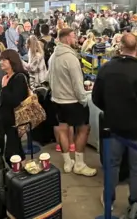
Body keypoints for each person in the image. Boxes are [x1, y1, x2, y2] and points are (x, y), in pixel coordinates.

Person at [93, 33, 137, 208]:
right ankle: (135, 201)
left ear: (120, 46)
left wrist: (110, 110)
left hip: (113, 126)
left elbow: (96, 98)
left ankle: (109, 199)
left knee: (112, 165)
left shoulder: (106, 69)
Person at [48, 28, 97, 176]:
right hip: (73, 101)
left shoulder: (52, 57)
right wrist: (84, 100)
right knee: (83, 129)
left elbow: (49, 78)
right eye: (74, 36)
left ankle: (68, 162)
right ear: (67, 38)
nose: (76, 39)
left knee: (63, 129)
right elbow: (77, 83)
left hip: (57, 100)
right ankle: (80, 164)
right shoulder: (71, 58)